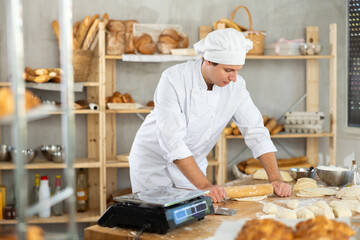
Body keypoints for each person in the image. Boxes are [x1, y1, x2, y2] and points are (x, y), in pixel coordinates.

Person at [129, 28, 292, 202]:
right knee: (154, 220)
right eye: (228, 70)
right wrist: (205, 186)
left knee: (194, 222)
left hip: (193, 167)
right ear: (208, 60)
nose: (234, 78)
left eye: (238, 70)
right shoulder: (173, 79)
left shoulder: (236, 87)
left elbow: (256, 132)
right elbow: (173, 142)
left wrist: (275, 178)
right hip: (153, 165)